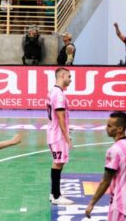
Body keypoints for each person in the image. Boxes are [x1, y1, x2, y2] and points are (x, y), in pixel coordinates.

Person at [85, 111, 126, 220]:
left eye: (109, 126)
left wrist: (92, 203)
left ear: (120, 129)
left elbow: (106, 181)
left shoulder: (114, 150)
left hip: (122, 204)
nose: (105, 128)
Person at [47, 68, 74, 205]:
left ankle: (54, 193)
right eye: (69, 76)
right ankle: (56, 196)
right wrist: (67, 136)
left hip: (55, 132)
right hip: (57, 135)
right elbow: (60, 117)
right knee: (58, 163)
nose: (70, 79)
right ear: (62, 75)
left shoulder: (54, 91)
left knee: (58, 163)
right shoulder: (59, 94)